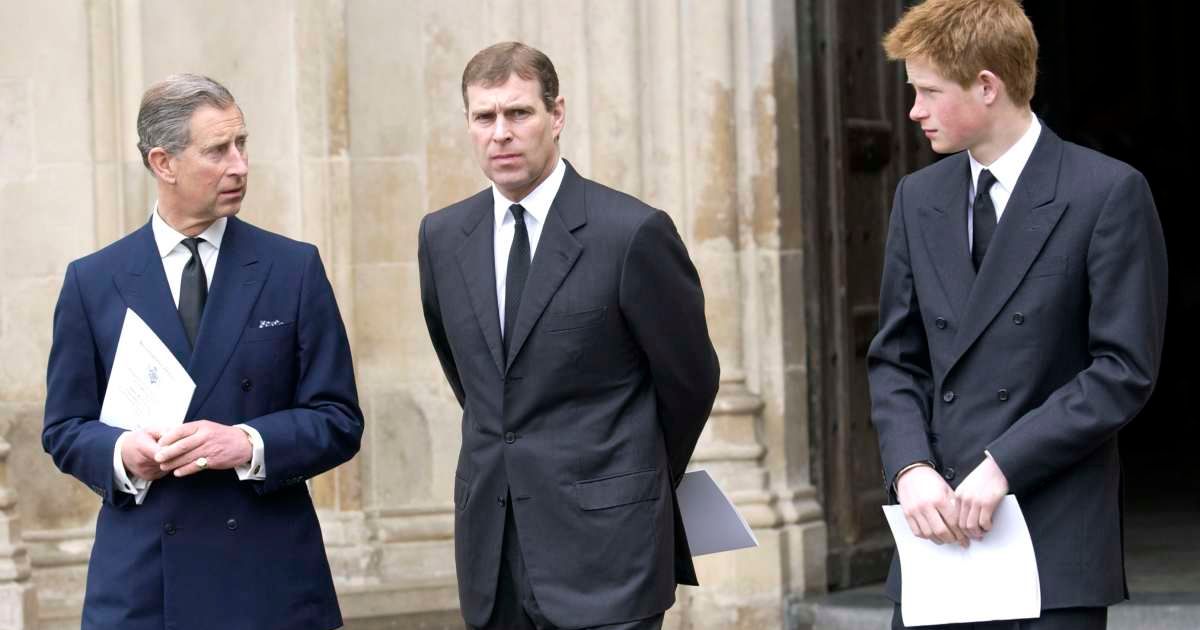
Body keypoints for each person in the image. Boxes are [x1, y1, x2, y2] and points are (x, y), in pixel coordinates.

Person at [868, 1, 1169, 628]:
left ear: (986, 86)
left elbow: (1122, 370)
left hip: (1051, 537)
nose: (913, 110)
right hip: (937, 534)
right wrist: (910, 468)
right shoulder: (917, 197)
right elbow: (896, 359)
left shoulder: (1107, 192)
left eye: (926, 90)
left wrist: (1004, 463)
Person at [42, 74, 363, 630]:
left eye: (242, 145)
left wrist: (247, 443)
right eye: (218, 150)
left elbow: (338, 420)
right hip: (144, 588)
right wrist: (124, 455)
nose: (239, 165)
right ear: (163, 163)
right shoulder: (92, 281)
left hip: (268, 583)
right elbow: (65, 428)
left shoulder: (294, 269)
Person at [417, 42, 720, 630]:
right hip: (493, 550)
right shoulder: (442, 237)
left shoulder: (632, 233)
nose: (500, 133)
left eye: (518, 113)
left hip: (609, 554)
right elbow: (474, 381)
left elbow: (690, 382)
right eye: (485, 117)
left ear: (556, 116)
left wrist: (627, 477)